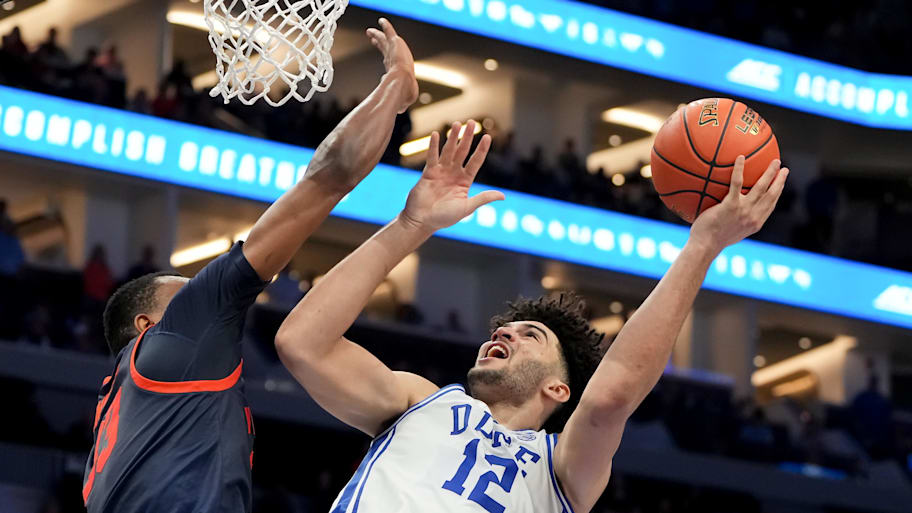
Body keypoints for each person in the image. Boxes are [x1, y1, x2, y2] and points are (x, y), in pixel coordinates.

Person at [275, 121, 788, 513]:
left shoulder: (560, 471)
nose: (502, 333)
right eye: (505, 330)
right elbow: (302, 343)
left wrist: (702, 245)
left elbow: (611, 397)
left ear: (559, 390)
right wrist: (411, 223)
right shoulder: (421, 401)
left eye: (530, 336)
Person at [82, 18, 419, 513]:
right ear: (147, 324)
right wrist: (394, 89)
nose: (202, 293)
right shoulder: (177, 338)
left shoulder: (118, 418)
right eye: (186, 291)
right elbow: (327, 179)